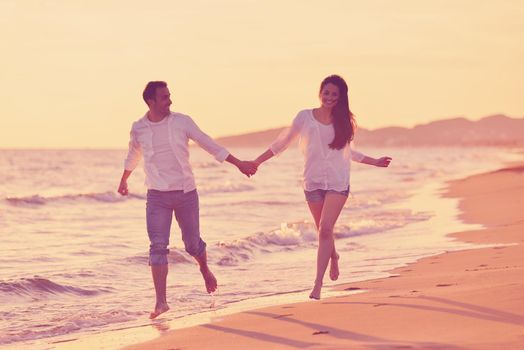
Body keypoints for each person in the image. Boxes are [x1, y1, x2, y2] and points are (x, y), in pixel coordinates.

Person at [118, 81, 258, 319]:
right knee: (157, 247)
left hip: (185, 193)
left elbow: (208, 144)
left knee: (192, 244)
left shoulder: (182, 122)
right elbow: (134, 153)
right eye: (164, 97)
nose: (170, 101)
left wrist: (239, 164)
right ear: (150, 101)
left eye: (169, 96)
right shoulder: (138, 127)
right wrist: (124, 179)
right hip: (157, 196)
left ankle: (204, 269)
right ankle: (161, 302)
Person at [253, 75, 391, 300]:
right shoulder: (304, 117)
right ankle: (334, 257)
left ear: (341, 98)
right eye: (326, 92)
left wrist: (374, 161)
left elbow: (349, 152)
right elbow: (282, 143)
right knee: (323, 230)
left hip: (338, 181)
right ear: (320, 93)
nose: (329, 97)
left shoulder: (343, 122)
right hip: (313, 182)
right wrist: (257, 162)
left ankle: (317, 284)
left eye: (334, 94)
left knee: (326, 229)